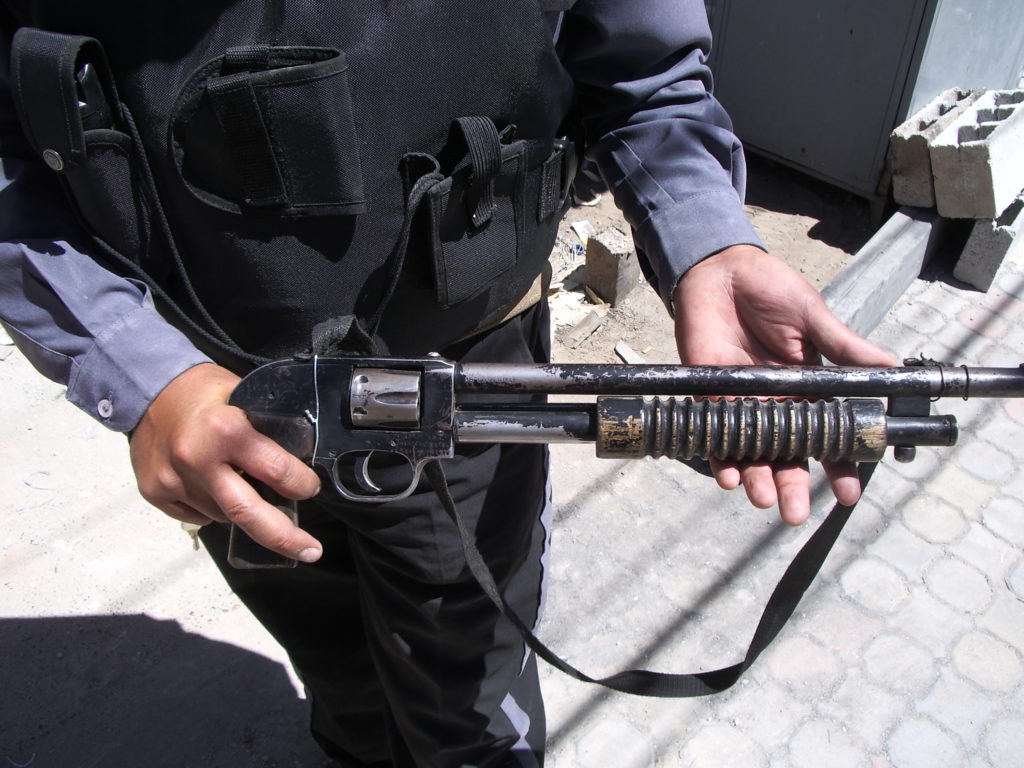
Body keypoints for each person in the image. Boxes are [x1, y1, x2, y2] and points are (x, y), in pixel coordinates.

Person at [0, 1, 895, 765]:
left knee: (469, 688)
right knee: (334, 665)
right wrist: (141, 372)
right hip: (218, 409)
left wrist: (709, 239)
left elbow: (648, 71)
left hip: (479, 383)